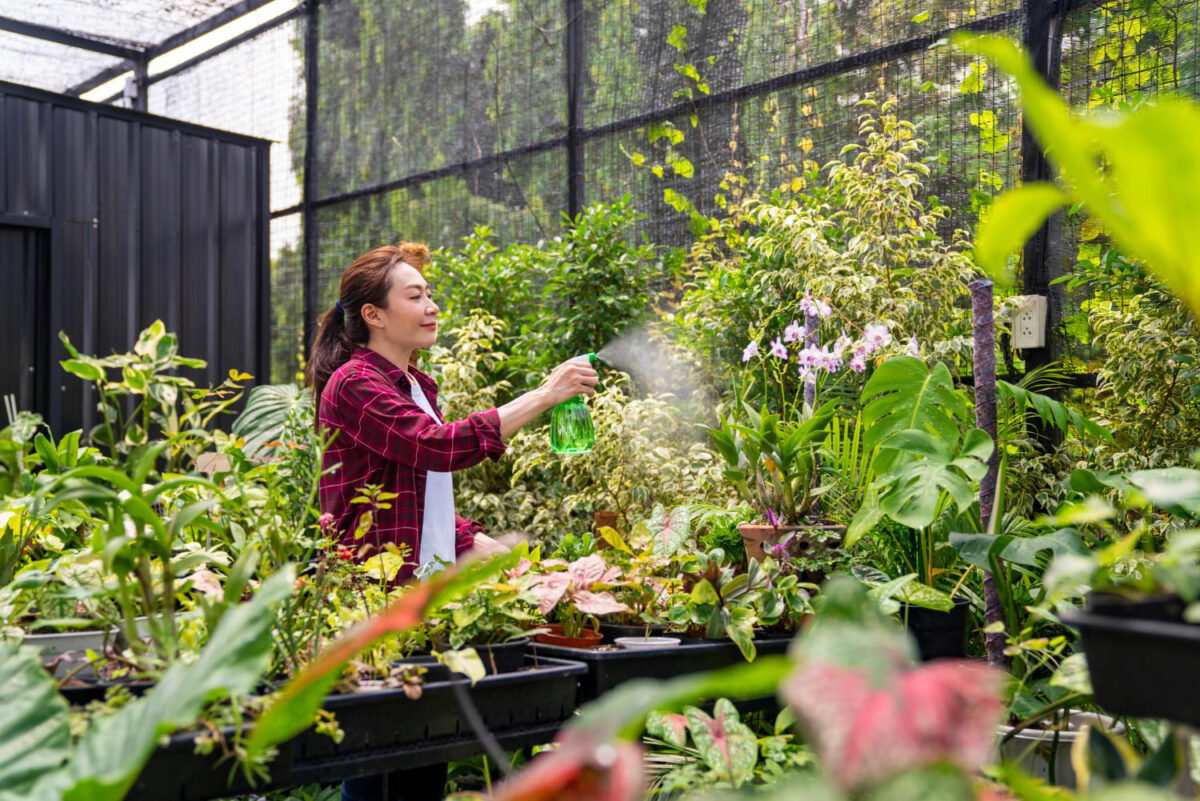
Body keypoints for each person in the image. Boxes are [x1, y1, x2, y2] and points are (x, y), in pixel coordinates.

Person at [306, 242, 598, 801]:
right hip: (378, 598)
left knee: (424, 754)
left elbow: (419, 494)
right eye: (415, 296)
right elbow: (437, 448)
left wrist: (477, 543)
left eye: (430, 293)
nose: (432, 305)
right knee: (380, 767)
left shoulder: (417, 385)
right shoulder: (355, 383)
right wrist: (543, 395)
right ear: (373, 315)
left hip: (425, 599)